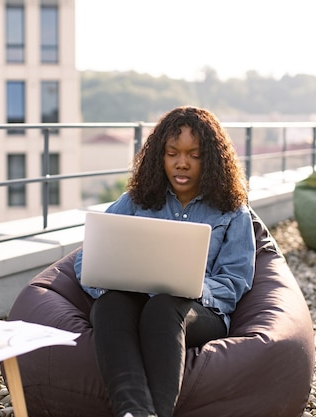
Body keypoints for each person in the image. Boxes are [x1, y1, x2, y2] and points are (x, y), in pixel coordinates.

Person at [73, 106, 256, 417]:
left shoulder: (231, 210)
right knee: (109, 306)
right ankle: (135, 412)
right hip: (137, 301)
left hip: (197, 312)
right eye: (172, 153)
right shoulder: (136, 200)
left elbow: (236, 280)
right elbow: (86, 257)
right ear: (160, 155)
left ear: (210, 158)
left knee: (163, 308)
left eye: (193, 155)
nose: (181, 163)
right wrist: (111, 283)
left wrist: (192, 286)